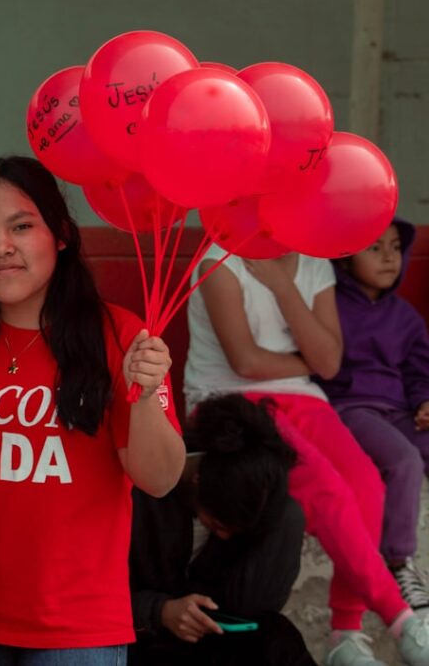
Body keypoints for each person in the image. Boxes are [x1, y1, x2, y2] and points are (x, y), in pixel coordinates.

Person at [0, 156, 184, 665]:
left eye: (22, 227)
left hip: (77, 631)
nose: (2, 248)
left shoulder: (117, 334)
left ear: (62, 235)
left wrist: (147, 391)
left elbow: (159, 479)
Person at [184, 243, 429, 666]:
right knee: (324, 488)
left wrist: (282, 286)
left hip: (305, 399)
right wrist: (308, 361)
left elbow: (330, 364)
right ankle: (400, 617)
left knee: (367, 484)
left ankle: (345, 638)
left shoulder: (314, 263)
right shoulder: (218, 258)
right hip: (228, 400)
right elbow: (245, 361)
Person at [128, 393, 315, 666]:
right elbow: (91, 596)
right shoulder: (141, 490)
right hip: (142, 636)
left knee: (278, 637)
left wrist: (278, 525)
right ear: (197, 480)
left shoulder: (267, 513)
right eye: (217, 525)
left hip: (212, 638)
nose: (225, 536)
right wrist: (161, 611)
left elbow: (254, 613)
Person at [316, 219, 429, 609]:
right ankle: (398, 561)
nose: (388, 258)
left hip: (399, 412)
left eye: (396, 248)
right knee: (405, 461)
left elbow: (418, 371)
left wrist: (424, 402)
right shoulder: (328, 304)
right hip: (350, 409)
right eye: (374, 248)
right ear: (346, 259)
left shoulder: (405, 317)